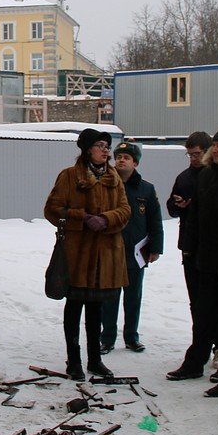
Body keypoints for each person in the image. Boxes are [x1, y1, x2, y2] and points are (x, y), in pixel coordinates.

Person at [44, 129, 132, 380]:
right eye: (100, 145)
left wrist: (106, 219)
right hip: (77, 254)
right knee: (74, 307)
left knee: (97, 309)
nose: (106, 150)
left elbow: (125, 210)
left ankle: (95, 359)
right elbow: (52, 209)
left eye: (107, 145)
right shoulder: (70, 176)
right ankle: (74, 361)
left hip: (106, 255)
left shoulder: (114, 177)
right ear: (87, 150)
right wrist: (81, 217)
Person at [168, 127, 218, 383]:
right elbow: (195, 218)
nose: (216, 150)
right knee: (202, 311)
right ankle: (195, 362)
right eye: (215, 146)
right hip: (203, 255)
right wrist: (190, 248)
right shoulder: (207, 176)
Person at [100, 142, 163, 354]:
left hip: (136, 252)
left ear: (135, 163)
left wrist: (155, 248)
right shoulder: (106, 185)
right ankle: (107, 338)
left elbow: (155, 220)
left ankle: (131, 337)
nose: (121, 160)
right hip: (110, 250)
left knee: (133, 297)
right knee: (109, 297)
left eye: (126, 157)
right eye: (118, 157)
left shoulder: (146, 189)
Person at [166, 131, 213, 367]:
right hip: (190, 244)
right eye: (190, 154)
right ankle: (200, 344)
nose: (194, 159)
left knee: (214, 301)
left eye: (197, 154)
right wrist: (179, 205)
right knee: (196, 301)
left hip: (212, 247)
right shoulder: (184, 177)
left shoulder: (215, 175)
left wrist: (194, 205)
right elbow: (171, 207)